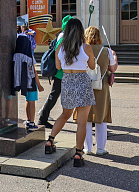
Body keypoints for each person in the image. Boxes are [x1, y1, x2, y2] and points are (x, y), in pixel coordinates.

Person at [45, 18, 96, 167]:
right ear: (80, 31)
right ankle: (79, 154)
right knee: (81, 122)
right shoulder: (86, 47)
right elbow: (92, 67)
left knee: (64, 115)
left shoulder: (60, 47)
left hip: (67, 81)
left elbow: (58, 66)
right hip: (82, 82)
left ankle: (50, 141)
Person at [79, 26, 118, 155]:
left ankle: (87, 148)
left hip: (85, 85)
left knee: (86, 118)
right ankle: (100, 148)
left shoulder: (82, 50)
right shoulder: (106, 51)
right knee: (101, 119)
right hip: (102, 86)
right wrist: (114, 56)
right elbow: (112, 68)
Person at [38, 15, 73, 128]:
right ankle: (42, 118)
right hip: (61, 73)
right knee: (54, 96)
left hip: (64, 73)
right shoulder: (63, 38)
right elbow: (58, 54)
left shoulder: (66, 37)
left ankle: (43, 118)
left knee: (56, 96)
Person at [13, 35, 44, 131]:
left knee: (27, 101)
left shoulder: (15, 55)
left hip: (21, 82)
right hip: (30, 82)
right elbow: (34, 72)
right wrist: (39, 85)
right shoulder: (29, 57)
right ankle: (31, 122)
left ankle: (27, 120)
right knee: (32, 102)